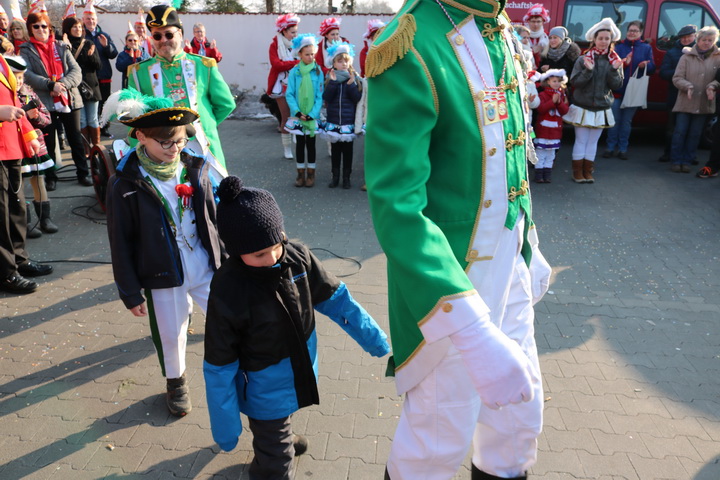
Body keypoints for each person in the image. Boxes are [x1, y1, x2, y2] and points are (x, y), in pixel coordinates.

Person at [365, 0, 552, 477]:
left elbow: (507, 157)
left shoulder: (496, 23)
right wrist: (469, 329)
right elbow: (397, 206)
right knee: (436, 441)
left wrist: (528, 245)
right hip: (452, 277)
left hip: (510, 259)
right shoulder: (411, 42)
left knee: (518, 423)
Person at [203, 175, 390, 479]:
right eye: (259, 254)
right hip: (261, 386)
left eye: (276, 245)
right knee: (277, 466)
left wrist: (374, 338)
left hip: (298, 370)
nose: (272, 257)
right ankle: (271, 458)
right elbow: (218, 363)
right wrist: (226, 429)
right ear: (237, 251)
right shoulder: (228, 287)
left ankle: (279, 441)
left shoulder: (298, 257)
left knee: (280, 427)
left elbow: (337, 300)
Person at [103, 88, 225, 417]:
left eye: (181, 141)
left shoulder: (195, 167)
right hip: (162, 271)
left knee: (229, 316)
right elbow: (120, 241)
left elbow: (215, 216)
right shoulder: (125, 183)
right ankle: (176, 381)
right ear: (141, 136)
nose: (175, 149)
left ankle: (238, 367)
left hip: (204, 263)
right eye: (166, 143)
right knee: (171, 333)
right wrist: (129, 291)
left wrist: (229, 256)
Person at [128, 4, 236, 178]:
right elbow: (134, 115)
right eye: (157, 36)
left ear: (180, 34)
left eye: (169, 34)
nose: (163, 40)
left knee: (212, 191)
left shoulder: (204, 65)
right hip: (161, 153)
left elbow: (226, 104)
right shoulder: (138, 73)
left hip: (203, 147)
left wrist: (206, 125)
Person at [0, 54, 53, 295]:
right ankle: (6, 272)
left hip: (11, 146)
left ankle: (19, 260)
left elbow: (14, 101)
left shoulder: (2, 61)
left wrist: (29, 134)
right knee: (1, 214)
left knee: (16, 208)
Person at [21, 11, 92, 190]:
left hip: (68, 98)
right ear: (30, 29)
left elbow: (76, 71)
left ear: (49, 28)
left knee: (75, 138)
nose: (41, 29)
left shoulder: (61, 46)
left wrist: (61, 85)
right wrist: (50, 85)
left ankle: (83, 173)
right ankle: (51, 177)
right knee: (49, 142)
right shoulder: (26, 49)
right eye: (36, 26)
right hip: (44, 101)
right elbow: (27, 74)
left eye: (44, 26)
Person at [563, 18, 623, 183]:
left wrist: (614, 70)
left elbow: (617, 85)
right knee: (581, 140)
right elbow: (575, 83)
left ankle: (588, 171)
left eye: (607, 38)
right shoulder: (583, 59)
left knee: (593, 142)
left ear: (611, 40)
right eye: (600, 38)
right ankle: (577, 172)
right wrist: (588, 71)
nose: (603, 41)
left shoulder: (615, 61)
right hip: (583, 106)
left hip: (602, 107)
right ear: (594, 40)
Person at [7, 56, 58, 238]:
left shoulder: (30, 93)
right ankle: (26, 223)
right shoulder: (5, 97)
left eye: (21, 77)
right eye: (15, 77)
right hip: (16, 148)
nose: (19, 81)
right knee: (18, 185)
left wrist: (36, 117)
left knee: (39, 181)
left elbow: (47, 119)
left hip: (35, 147)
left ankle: (45, 218)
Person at [670, 26, 720, 173]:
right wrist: (687, 86)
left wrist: (712, 86)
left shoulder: (718, 58)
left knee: (695, 134)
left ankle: (687, 160)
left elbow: (719, 79)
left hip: (704, 102)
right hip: (686, 100)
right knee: (680, 132)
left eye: (710, 40)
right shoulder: (686, 57)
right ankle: (676, 160)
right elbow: (677, 78)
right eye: (704, 40)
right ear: (698, 40)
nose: (707, 43)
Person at [603, 20, 655, 160]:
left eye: (635, 31)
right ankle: (610, 147)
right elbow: (610, 67)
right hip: (617, 91)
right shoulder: (619, 47)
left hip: (633, 92)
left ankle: (623, 149)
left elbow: (652, 68)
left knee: (626, 122)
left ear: (641, 33)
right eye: (630, 30)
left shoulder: (646, 48)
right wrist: (624, 64)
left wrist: (646, 66)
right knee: (614, 121)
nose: (632, 33)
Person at [285, 34, 323, 189]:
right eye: (307, 54)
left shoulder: (318, 71)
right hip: (298, 116)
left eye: (312, 54)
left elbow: (320, 95)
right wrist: (297, 112)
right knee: (300, 144)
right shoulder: (295, 72)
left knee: (311, 145)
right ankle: (300, 173)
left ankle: (311, 173)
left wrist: (312, 114)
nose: (310, 57)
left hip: (311, 116)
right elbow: (289, 94)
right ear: (299, 54)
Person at [323, 42, 362, 189]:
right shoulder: (330, 78)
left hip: (347, 122)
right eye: (340, 61)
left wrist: (351, 85)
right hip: (334, 121)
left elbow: (357, 99)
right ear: (333, 63)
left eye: (346, 60)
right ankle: (335, 177)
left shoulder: (354, 78)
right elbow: (327, 97)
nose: (344, 64)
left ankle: (346, 178)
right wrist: (333, 83)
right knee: (335, 151)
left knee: (347, 152)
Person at [63, 15, 102, 156]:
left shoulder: (89, 43)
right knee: (82, 120)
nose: (78, 29)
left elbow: (98, 66)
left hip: (91, 87)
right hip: (75, 87)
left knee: (93, 118)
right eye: (74, 27)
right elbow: (67, 65)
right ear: (68, 29)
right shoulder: (64, 45)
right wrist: (67, 46)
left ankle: (97, 148)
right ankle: (86, 150)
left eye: (80, 26)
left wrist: (91, 56)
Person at [659, 24, 697, 163]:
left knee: (692, 129)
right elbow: (663, 73)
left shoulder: (700, 52)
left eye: (689, 36)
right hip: (675, 95)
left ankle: (688, 156)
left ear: (695, 36)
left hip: (694, 96)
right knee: (672, 128)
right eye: (683, 37)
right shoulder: (672, 53)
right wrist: (680, 73)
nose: (686, 39)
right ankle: (668, 153)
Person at [82, 0, 117, 139]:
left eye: (92, 19)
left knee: (105, 104)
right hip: (88, 77)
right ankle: (90, 130)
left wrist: (106, 46)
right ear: (83, 20)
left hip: (104, 75)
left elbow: (113, 54)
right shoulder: (81, 35)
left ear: (96, 20)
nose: (90, 21)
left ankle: (104, 127)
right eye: (88, 19)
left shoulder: (104, 35)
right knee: (90, 104)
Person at [267, 13, 300, 160]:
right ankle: (287, 148)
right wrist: (295, 63)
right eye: (292, 32)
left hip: (298, 84)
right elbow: (277, 65)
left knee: (297, 115)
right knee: (285, 117)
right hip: (281, 85)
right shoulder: (275, 45)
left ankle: (296, 137)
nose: (295, 35)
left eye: (296, 32)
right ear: (284, 31)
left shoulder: (299, 44)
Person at [533, 69, 569, 183]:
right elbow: (541, 109)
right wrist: (552, 102)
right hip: (543, 130)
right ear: (548, 82)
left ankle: (547, 175)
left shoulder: (562, 95)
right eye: (554, 81)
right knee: (540, 153)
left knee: (551, 154)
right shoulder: (542, 94)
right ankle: (539, 175)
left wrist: (559, 102)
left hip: (555, 131)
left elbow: (565, 111)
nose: (556, 83)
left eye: (558, 81)